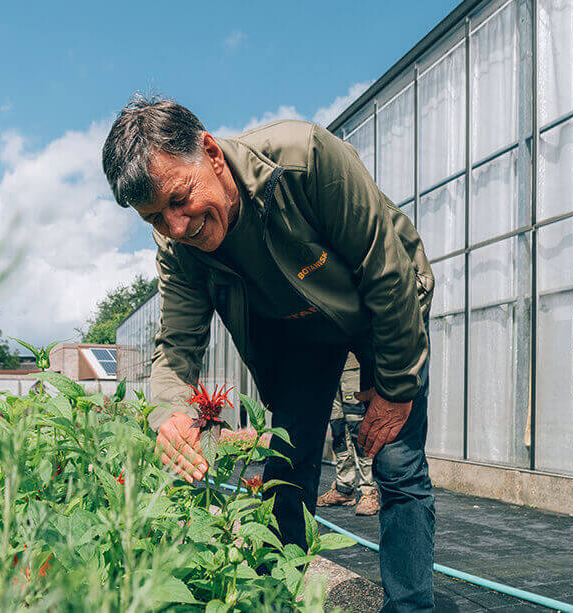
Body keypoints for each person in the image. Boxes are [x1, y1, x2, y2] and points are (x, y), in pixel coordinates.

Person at [101, 94, 435, 611]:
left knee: (396, 461)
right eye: (155, 218)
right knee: (287, 463)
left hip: (381, 311)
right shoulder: (178, 248)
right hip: (299, 334)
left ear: (210, 153)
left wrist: (395, 386)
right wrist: (168, 411)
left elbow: (387, 272)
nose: (177, 227)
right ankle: (273, 599)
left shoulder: (304, 159)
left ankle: (410, 607)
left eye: (178, 199)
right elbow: (178, 343)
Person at [318, 353, 380, 517]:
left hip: (354, 366)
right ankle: (344, 488)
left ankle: (369, 490)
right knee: (337, 427)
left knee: (357, 425)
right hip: (329, 366)